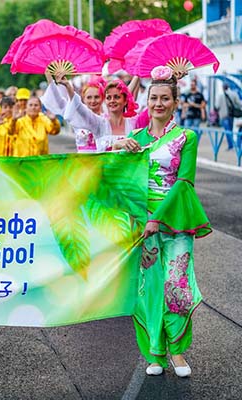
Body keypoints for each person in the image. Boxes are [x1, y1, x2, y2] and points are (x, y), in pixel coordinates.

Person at [113, 65, 211, 378]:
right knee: (148, 288)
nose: (158, 103)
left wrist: (157, 217)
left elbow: (184, 181)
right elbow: (122, 181)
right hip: (142, 224)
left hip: (176, 221)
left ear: (174, 102)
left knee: (177, 285)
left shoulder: (187, 137)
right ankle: (155, 351)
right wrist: (119, 149)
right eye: (153, 97)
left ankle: (179, 353)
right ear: (147, 101)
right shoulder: (135, 138)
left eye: (165, 98)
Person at [42, 73, 139, 152]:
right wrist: (51, 78)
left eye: (96, 97)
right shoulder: (80, 116)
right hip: (83, 165)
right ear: (82, 99)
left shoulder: (104, 119)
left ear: (102, 99)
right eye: (89, 97)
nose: (93, 101)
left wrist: (137, 75)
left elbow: (125, 95)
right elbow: (65, 103)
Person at [216, 82, 242, 150]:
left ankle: (231, 145)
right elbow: (239, 103)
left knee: (227, 131)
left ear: (222, 87)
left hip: (224, 115)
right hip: (231, 115)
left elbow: (217, 106)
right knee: (230, 130)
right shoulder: (234, 94)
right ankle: (234, 145)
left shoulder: (220, 96)